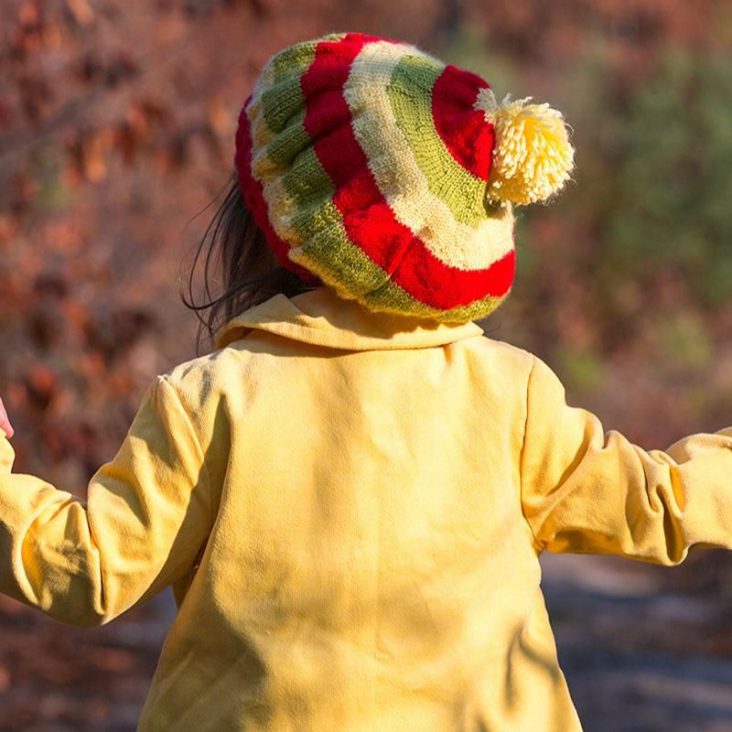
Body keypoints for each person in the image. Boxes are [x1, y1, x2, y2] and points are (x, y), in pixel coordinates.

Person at [0, 31, 731, 732]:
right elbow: (656, 503)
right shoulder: (512, 395)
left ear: (273, 225)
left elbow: (87, 568)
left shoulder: (214, 397)